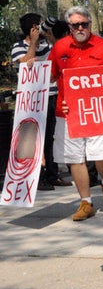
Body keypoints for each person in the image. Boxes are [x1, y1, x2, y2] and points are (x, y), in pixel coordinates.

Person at [49, 6, 103, 221]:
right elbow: (50, 76)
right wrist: (32, 68)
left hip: (98, 111)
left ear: (90, 24)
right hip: (68, 113)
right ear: (69, 27)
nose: (80, 28)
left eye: (84, 24)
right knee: (75, 158)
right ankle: (86, 202)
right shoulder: (59, 47)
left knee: (102, 153)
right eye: (75, 25)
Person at [11, 13, 73, 191]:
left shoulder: (48, 45)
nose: (41, 28)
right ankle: (35, 179)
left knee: (52, 138)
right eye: (38, 26)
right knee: (31, 140)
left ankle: (53, 176)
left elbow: (61, 56)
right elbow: (24, 63)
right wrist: (33, 42)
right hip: (30, 99)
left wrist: (48, 38)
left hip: (51, 96)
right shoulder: (18, 46)